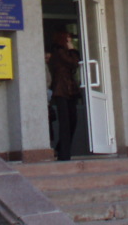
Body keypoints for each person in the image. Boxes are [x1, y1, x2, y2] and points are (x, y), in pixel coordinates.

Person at [47, 29, 81, 161]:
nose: (70, 40)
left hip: (69, 90)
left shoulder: (62, 52)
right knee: (65, 122)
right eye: (68, 38)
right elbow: (74, 62)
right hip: (61, 90)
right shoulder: (59, 51)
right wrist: (73, 49)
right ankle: (64, 154)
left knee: (72, 121)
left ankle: (61, 149)